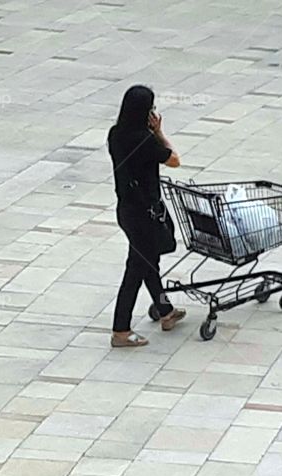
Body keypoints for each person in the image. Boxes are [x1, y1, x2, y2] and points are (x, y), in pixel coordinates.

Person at [107, 85, 186, 348]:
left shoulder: (116, 134)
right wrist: (160, 132)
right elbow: (174, 160)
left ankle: (166, 311)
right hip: (145, 215)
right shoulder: (145, 140)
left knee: (149, 263)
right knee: (136, 270)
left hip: (126, 210)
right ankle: (120, 330)